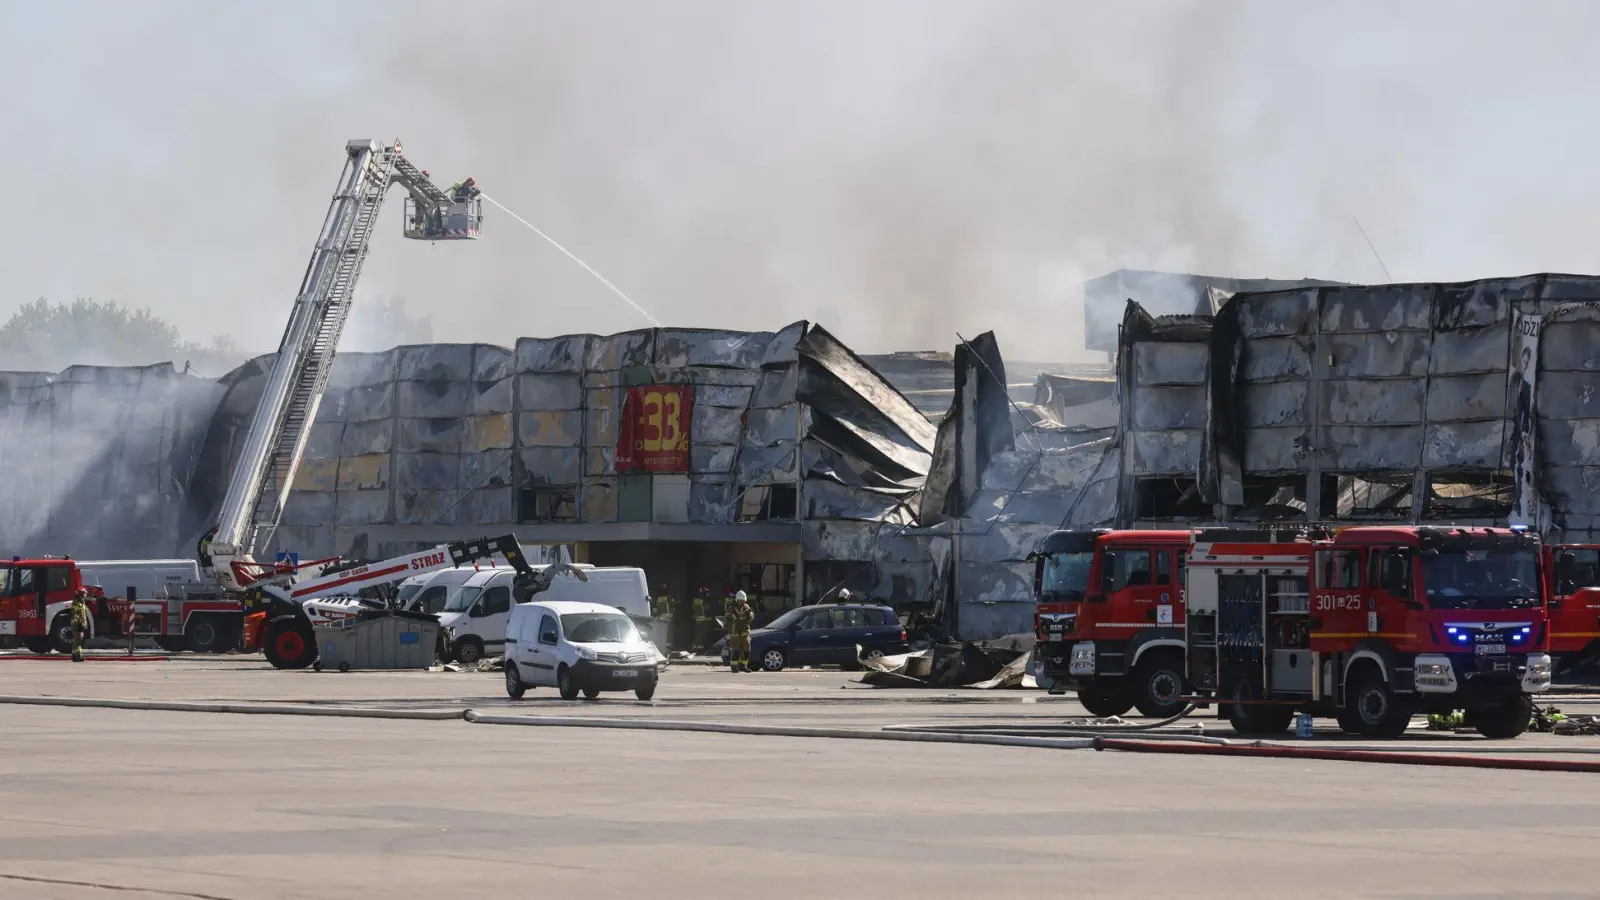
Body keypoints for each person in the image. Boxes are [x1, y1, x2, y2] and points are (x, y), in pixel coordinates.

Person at [726, 590, 754, 673]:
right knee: (736, 650)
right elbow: (728, 618)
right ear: (737, 600)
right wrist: (734, 616)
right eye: (740, 600)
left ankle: (743, 666)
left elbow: (751, 617)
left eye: (743, 600)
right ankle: (734, 667)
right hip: (735, 633)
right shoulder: (732, 608)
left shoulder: (747, 607)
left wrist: (750, 615)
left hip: (745, 632)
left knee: (746, 650)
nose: (742, 602)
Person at [69, 589, 91, 662]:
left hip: (80, 624)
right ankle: (76, 656)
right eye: (84, 594)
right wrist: (80, 623)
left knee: (79, 640)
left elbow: (83, 614)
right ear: (81, 594)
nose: (85, 595)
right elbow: (75, 614)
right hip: (77, 624)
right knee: (77, 641)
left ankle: (77, 655)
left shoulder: (82, 603)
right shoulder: (76, 602)